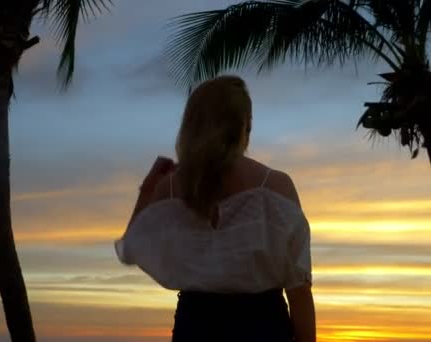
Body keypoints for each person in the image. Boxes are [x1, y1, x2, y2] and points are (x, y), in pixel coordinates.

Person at [115, 75, 316, 342]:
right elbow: (299, 290)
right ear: (245, 126)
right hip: (263, 328)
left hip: (196, 327)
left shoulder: (172, 188)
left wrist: (148, 188)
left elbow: (131, 249)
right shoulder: (275, 186)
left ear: (191, 125)